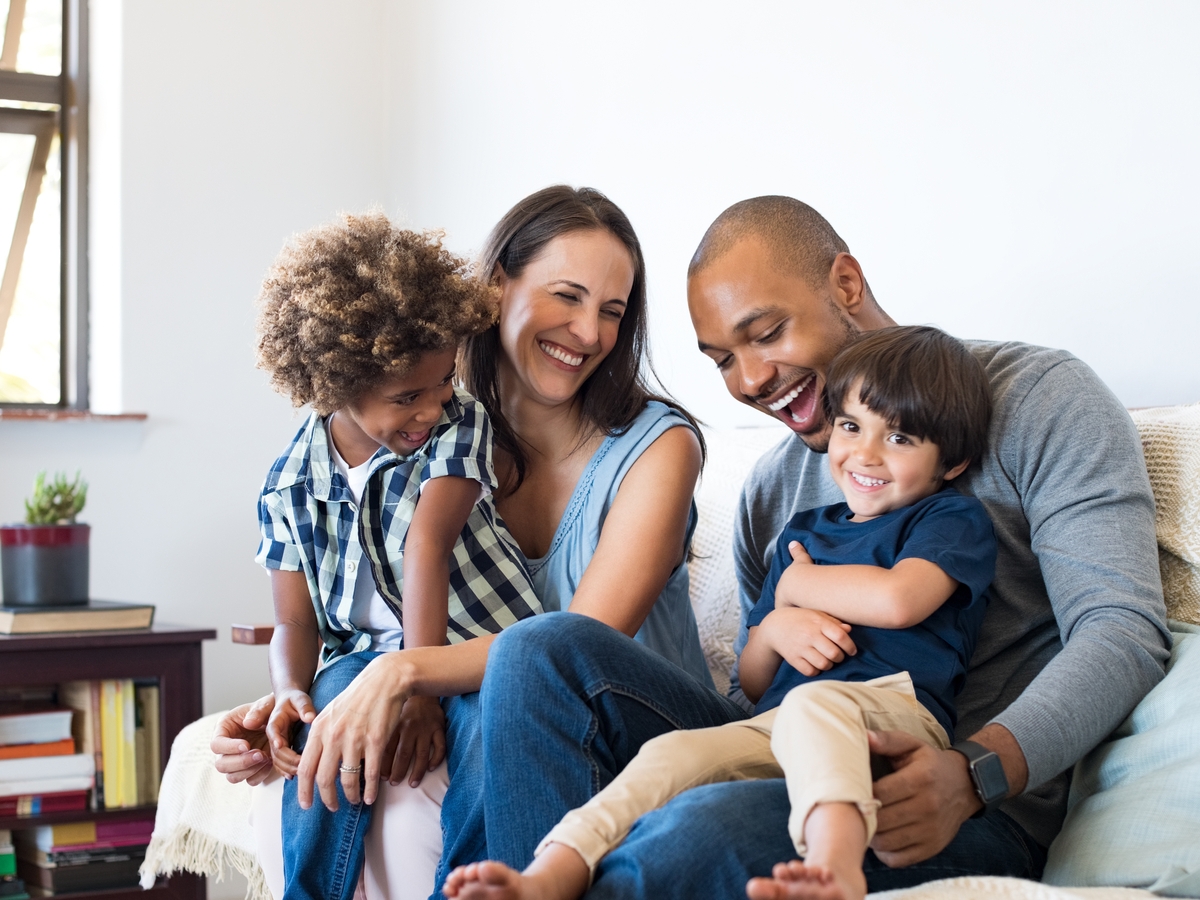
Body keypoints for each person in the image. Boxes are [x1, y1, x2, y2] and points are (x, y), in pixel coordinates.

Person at [457, 195, 1170, 899]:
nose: (751, 381)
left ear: (846, 285)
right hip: (787, 745)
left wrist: (974, 774)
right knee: (537, 650)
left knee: (697, 831)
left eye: (765, 333)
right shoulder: (773, 491)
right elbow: (754, 692)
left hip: (951, 799)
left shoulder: (1040, 399)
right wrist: (774, 629)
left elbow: (1121, 631)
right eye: (721, 361)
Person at [212, 186, 730, 900]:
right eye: (567, 297)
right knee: (349, 733)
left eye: (612, 311)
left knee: (507, 682)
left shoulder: (658, 449)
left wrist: (403, 673)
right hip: (498, 707)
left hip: (627, 728)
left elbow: (575, 646)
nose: (588, 332)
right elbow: (351, 602)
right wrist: (293, 700)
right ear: (494, 289)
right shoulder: (430, 429)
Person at [442, 325, 997, 900]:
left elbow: (899, 599)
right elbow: (754, 681)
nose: (866, 454)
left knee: (814, 703)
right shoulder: (804, 533)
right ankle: (550, 874)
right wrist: (777, 623)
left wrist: (799, 586)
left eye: (900, 439)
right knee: (671, 754)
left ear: (951, 462)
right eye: (852, 426)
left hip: (893, 717)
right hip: (775, 724)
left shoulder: (947, 519)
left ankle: (836, 867)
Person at [252, 214, 543, 900]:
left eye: (442, 381)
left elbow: (427, 546)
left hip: (478, 645)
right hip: (361, 658)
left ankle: (470, 888)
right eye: (406, 397)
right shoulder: (289, 483)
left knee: (485, 732)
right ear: (334, 386)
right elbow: (295, 623)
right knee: (328, 718)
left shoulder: (457, 422)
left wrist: (418, 686)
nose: (431, 407)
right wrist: (291, 690)